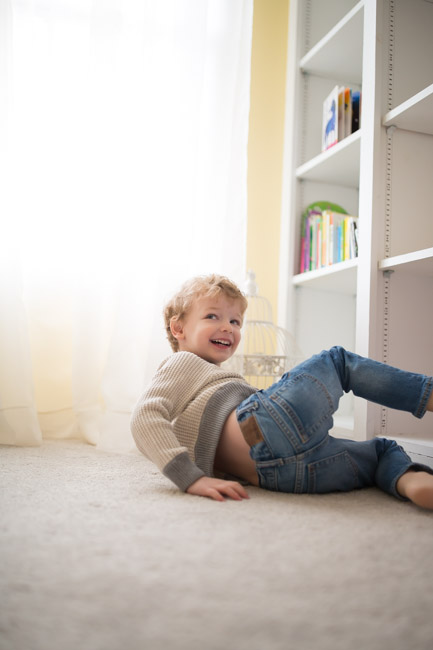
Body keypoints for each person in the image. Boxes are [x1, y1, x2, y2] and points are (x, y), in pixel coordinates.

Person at [130, 274, 433, 509]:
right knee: (339, 362)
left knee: (382, 451)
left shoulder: (203, 386)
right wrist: (190, 479)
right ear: (178, 329)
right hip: (262, 434)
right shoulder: (184, 361)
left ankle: (410, 480)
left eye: (235, 321)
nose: (228, 327)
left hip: (281, 476)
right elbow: (144, 416)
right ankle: (427, 396)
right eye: (213, 316)